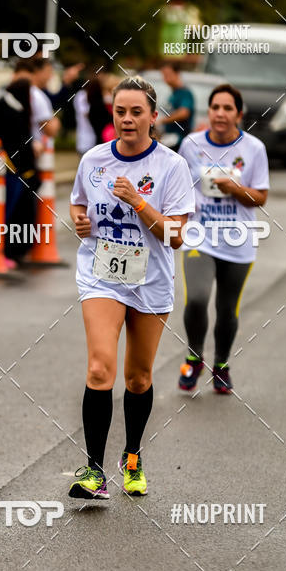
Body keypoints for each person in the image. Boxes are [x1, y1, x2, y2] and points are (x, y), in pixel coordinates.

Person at [68, 76, 194, 499]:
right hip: (103, 275)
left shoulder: (171, 167)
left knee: (138, 378)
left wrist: (139, 202)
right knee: (99, 368)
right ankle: (93, 472)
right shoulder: (94, 160)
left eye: (136, 111)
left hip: (151, 281)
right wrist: (79, 219)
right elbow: (78, 201)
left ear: (153, 117)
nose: (127, 119)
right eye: (120, 111)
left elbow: (176, 236)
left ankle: (133, 454)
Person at [177, 83, 269, 394]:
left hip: (238, 240)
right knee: (198, 298)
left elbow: (261, 197)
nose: (220, 113)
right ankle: (193, 357)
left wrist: (234, 188)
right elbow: (176, 187)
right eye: (215, 107)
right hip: (198, 237)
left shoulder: (253, 149)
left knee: (227, 309)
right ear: (209, 111)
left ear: (238, 115)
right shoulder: (190, 144)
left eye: (228, 108)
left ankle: (221, 365)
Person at [0, 76, 35, 263]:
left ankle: (1, 250)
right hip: (8, 168)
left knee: (6, 209)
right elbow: (17, 143)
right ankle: (0, 250)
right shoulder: (11, 111)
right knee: (5, 210)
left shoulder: (1, 106)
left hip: (6, 167)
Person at [158, 62, 195, 150]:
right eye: (164, 75)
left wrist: (162, 121)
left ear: (177, 74)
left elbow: (184, 113)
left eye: (168, 74)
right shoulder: (173, 93)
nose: (165, 78)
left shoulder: (185, 93)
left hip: (179, 140)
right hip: (168, 137)